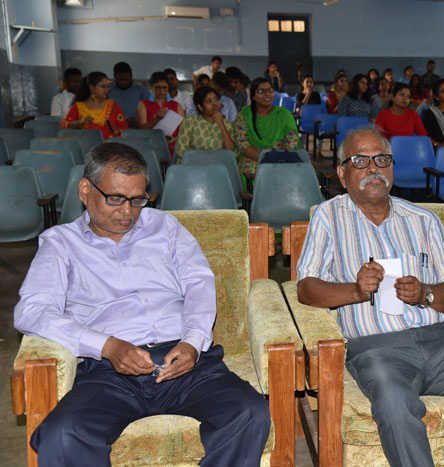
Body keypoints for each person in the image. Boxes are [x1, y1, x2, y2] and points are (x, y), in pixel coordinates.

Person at [14, 142, 270, 466]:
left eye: (137, 200)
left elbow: (198, 283)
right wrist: (107, 346)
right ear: (84, 190)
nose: (127, 212)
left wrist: (192, 342)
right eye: (116, 198)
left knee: (249, 412)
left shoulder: (165, 227)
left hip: (184, 360)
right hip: (108, 372)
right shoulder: (60, 243)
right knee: (62, 434)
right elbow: (32, 310)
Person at [296, 128, 444, 467]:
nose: (373, 169)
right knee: (394, 401)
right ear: (341, 172)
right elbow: (306, 288)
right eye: (360, 161)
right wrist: (354, 290)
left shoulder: (424, 219)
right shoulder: (328, 218)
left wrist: (425, 293)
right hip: (378, 348)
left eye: (382, 160)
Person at [232, 77, 299, 181]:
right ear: (253, 96)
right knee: (249, 174)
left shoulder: (284, 114)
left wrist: (278, 158)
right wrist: (264, 158)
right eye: (261, 91)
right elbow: (242, 143)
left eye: (270, 90)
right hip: (253, 158)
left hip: (280, 159)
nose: (267, 94)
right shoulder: (244, 115)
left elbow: (292, 138)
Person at [174, 86, 236, 164]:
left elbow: (232, 153)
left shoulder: (228, 124)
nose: (215, 104)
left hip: (218, 169)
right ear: (200, 107)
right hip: (192, 168)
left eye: (215, 99)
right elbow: (181, 151)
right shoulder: (190, 122)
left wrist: (222, 127)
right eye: (209, 102)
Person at [61, 71, 129, 140]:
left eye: (107, 87)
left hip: (110, 147)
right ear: (91, 87)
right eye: (103, 86)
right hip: (87, 146)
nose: (106, 90)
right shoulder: (78, 107)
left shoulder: (113, 106)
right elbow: (63, 127)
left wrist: (117, 132)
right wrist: (79, 123)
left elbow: (125, 130)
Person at [137, 71, 185, 154]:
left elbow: (184, 130)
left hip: (173, 149)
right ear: (152, 87)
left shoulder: (176, 105)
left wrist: (175, 139)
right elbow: (142, 130)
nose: (161, 91)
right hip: (151, 148)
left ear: (168, 87)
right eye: (157, 87)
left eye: (164, 87)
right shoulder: (143, 104)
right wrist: (157, 119)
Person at [108, 62, 150, 128]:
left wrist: (137, 120)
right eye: (120, 80)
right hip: (114, 130)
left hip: (137, 130)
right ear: (114, 77)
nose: (123, 83)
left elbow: (150, 111)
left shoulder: (142, 91)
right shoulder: (108, 91)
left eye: (127, 79)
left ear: (131, 76)